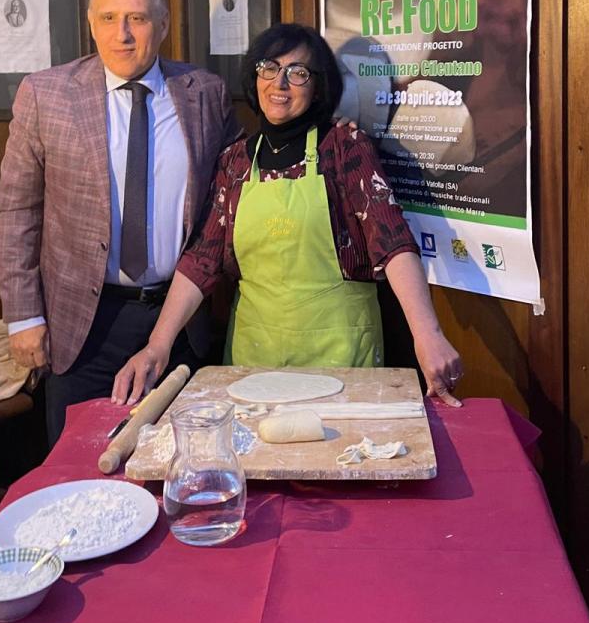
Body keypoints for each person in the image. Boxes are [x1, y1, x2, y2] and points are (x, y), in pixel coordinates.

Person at [0, 0, 241, 623]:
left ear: (163, 23)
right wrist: (23, 316)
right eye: (109, 17)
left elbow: (223, 210)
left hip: (181, 320)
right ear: (90, 22)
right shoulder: (46, 94)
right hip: (85, 321)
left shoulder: (205, 94)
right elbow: (16, 209)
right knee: (72, 492)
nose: (124, 33)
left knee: (183, 478)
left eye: (138, 18)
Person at [113, 22, 463, 407]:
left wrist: (427, 334)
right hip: (253, 363)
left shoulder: (344, 147)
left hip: (342, 357)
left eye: (297, 73)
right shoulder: (235, 162)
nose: (279, 83)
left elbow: (393, 243)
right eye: (269, 68)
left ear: (318, 87)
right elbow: (201, 260)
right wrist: (157, 346)